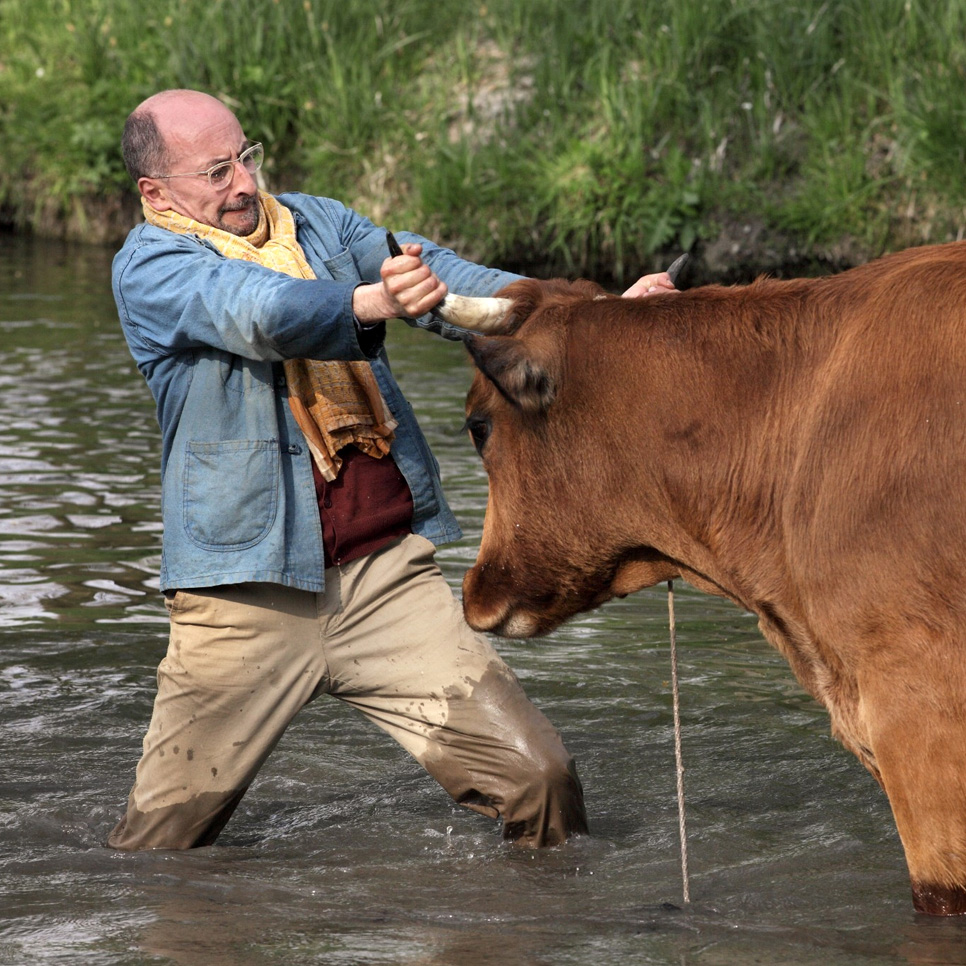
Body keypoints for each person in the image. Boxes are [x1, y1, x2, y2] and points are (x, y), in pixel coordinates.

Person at [108, 88, 675, 852]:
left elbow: (446, 276)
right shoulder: (150, 267)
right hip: (243, 601)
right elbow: (257, 310)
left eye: (246, 157)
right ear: (156, 191)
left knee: (541, 784)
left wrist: (603, 314)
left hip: (386, 583)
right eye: (216, 172)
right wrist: (373, 301)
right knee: (158, 855)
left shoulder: (321, 222)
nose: (243, 183)